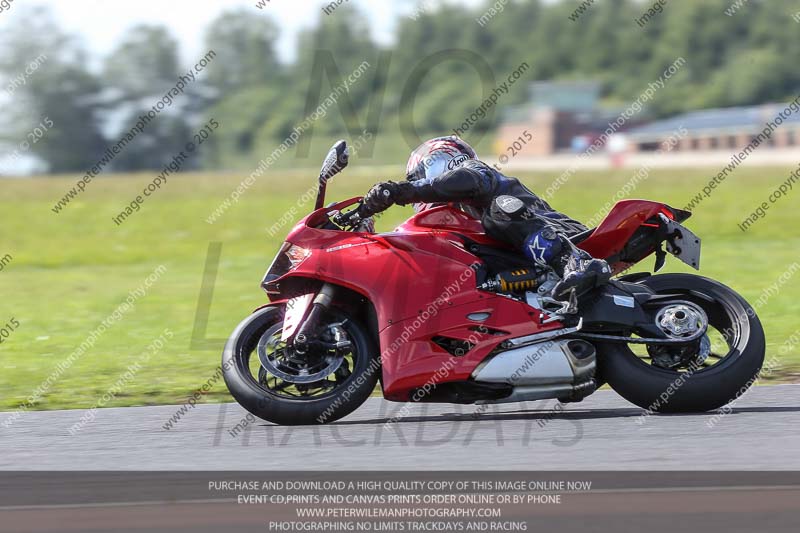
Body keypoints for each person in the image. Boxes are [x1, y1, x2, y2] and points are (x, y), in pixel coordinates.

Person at [357, 136, 611, 301]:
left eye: (419, 177)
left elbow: (465, 182)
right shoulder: (452, 219)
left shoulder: (474, 173)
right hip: (514, 259)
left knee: (499, 212)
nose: (419, 185)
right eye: (415, 181)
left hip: (565, 234)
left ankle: (573, 262)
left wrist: (403, 191)